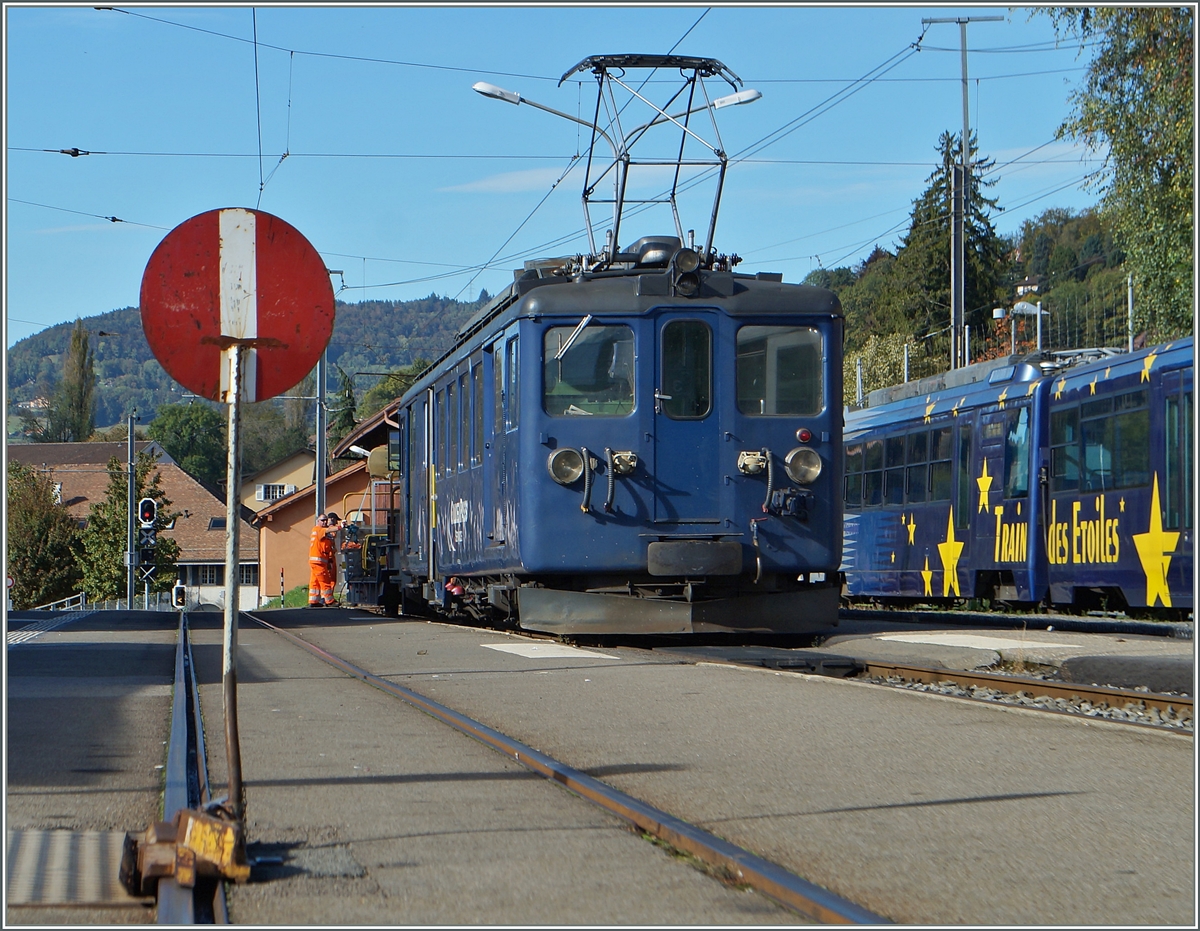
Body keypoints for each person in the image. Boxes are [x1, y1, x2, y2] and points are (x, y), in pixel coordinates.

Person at [308, 514, 336, 607]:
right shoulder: (319, 530)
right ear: (318, 521)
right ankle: (329, 601)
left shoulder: (317, 531)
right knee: (325, 581)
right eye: (323, 520)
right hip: (319, 562)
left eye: (326, 520)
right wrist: (340, 527)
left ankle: (314, 601)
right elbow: (328, 530)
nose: (324, 522)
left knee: (314, 582)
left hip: (316, 561)